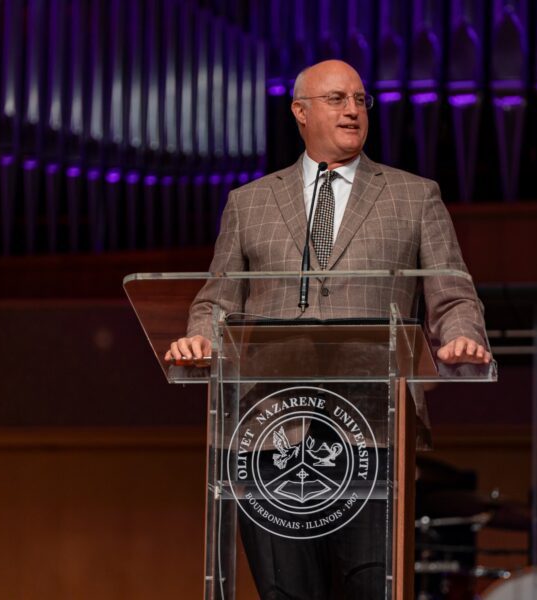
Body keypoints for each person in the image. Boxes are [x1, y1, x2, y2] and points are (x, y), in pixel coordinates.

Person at [166, 59, 491, 599]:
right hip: (269, 432)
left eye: (361, 100)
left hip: (371, 433)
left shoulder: (414, 196)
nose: (352, 110)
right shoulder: (249, 204)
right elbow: (216, 302)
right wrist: (201, 336)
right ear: (300, 111)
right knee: (285, 592)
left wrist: (463, 334)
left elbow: (452, 294)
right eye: (337, 98)